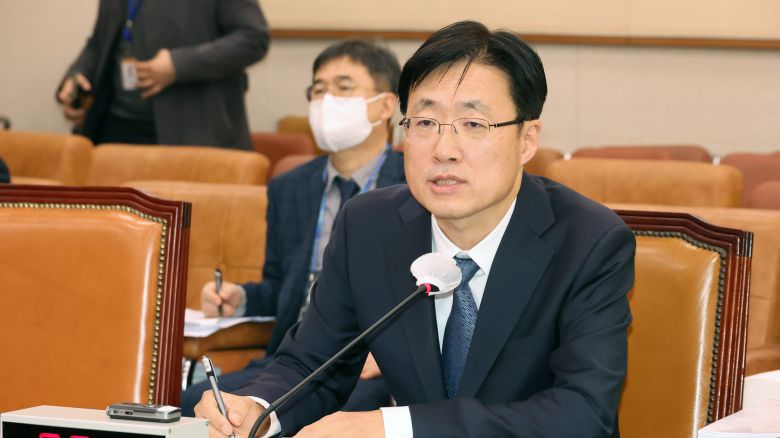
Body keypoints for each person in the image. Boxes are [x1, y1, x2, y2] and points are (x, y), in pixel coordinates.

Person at [196, 20, 636, 438]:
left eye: (473, 124)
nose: (444, 149)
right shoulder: (367, 226)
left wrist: (397, 427)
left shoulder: (588, 241)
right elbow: (312, 364)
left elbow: (582, 413)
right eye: (424, 123)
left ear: (527, 139)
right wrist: (258, 407)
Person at [181, 39, 405, 416]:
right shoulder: (290, 187)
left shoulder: (413, 187)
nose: (326, 100)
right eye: (318, 90)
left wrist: (393, 353)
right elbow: (281, 286)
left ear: (385, 105)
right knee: (192, 405)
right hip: (292, 361)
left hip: (369, 368)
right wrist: (240, 298)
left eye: (343, 87)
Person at [56, 0, 269, 149]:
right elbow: (99, 42)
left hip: (191, 133)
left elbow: (253, 38)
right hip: (115, 129)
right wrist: (77, 75)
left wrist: (178, 65)